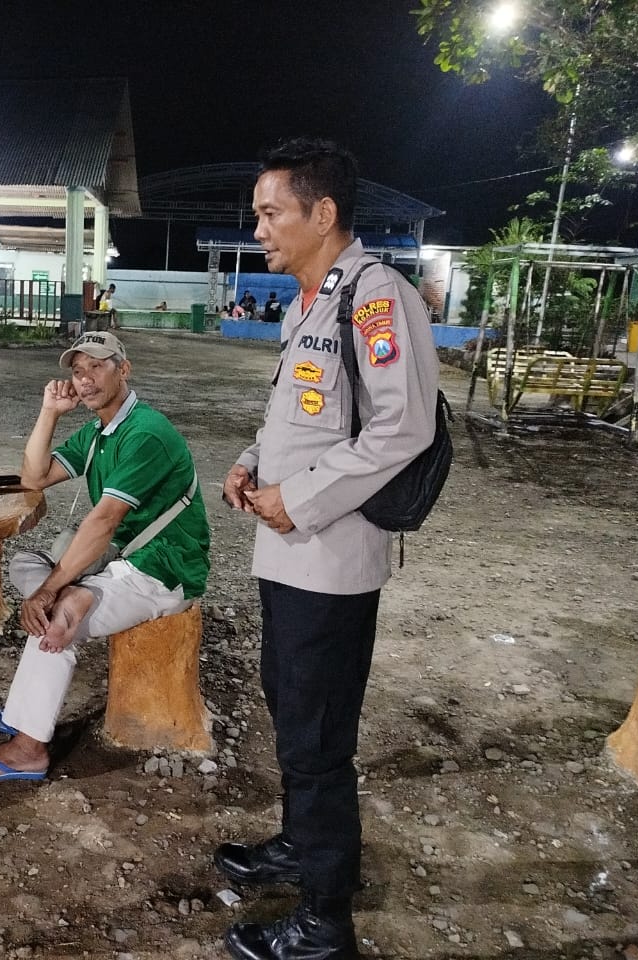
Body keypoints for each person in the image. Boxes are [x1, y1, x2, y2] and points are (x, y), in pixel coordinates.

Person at [218, 138, 438, 960]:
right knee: (290, 706)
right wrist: (250, 463)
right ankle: (299, 846)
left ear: (324, 213)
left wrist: (297, 497)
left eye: (272, 213)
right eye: (259, 215)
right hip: (288, 555)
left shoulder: (378, 298)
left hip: (332, 561)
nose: (261, 228)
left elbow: (403, 428)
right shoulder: (308, 301)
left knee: (318, 740)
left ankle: (324, 919)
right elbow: (304, 420)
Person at [0, 331, 210, 782]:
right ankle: (28, 701)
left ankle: (30, 747)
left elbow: (103, 521)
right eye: (78, 370)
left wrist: (55, 591)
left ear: (123, 370)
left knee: (60, 614)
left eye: (98, 366)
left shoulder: (146, 433)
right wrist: (50, 412)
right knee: (26, 565)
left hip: (163, 569)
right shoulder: (100, 433)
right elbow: (34, 478)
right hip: (123, 560)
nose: (86, 379)